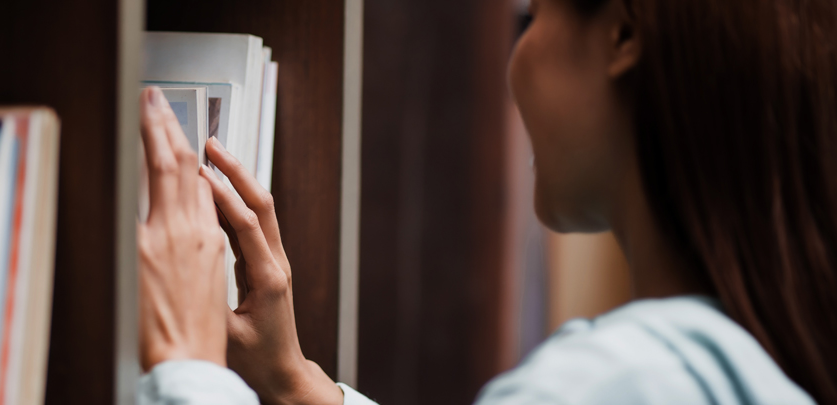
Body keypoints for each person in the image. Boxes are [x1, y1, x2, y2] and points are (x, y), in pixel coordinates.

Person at [134, 0, 837, 402]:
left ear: (621, 34)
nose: (514, 62)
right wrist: (293, 381)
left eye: (532, 15)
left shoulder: (612, 383)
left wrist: (185, 367)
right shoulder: (747, 366)